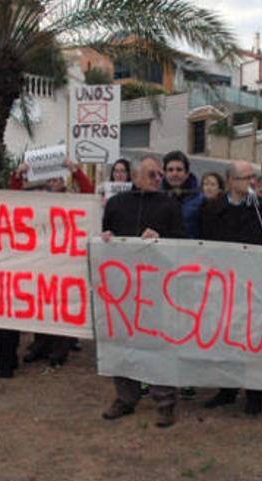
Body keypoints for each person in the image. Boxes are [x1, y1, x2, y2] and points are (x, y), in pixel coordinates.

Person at [100, 155, 185, 428]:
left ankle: (165, 401)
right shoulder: (115, 203)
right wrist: (105, 239)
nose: (158, 179)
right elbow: (105, 236)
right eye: (152, 175)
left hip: (157, 287)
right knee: (122, 341)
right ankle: (125, 398)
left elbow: (182, 241)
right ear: (135, 177)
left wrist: (161, 239)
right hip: (122, 288)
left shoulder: (169, 204)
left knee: (159, 343)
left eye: (159, 174)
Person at [200, 160, 262, 415]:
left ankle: (255, 394)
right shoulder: (212, 209)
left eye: (253, 177)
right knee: (227, 338)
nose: (252, 182)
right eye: (246, 178)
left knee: (255, 340)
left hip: (254, 285)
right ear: (231, 181)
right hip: (224, 285)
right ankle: (227, 389)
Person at [10, 159, 92, 366]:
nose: (54, 181)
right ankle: (40, 344)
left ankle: (59, 350)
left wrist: (76, 171)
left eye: (58, 177)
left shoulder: (72, 199)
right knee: (41, 304)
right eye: (51, 177)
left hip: (65, 261)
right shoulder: (38, 199)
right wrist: (18, 175)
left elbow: (89, 195)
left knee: (61, 305)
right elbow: (12, 200)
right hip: (42, 261)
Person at [161, 150, 204, 239]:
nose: (175, 174)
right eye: (170, 170)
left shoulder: (200, 199)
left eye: (179, 170)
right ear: (164, 173)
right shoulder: (156, 196)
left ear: (187, 173)